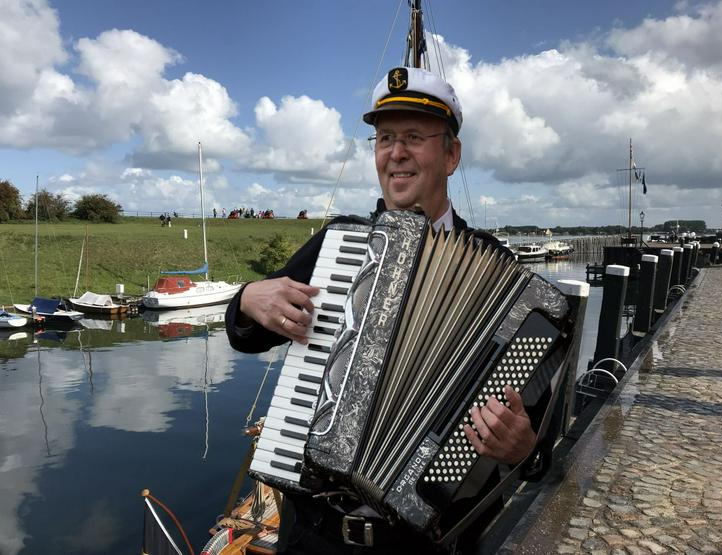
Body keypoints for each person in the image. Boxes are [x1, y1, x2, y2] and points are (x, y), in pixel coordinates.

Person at [226, 67, 554, 554]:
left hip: (427, 541)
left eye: (414, 138)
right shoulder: (338, 245)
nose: (396, 153)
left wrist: (524, 449)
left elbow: (537, 434)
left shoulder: (503, 278)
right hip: (313, 538)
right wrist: (248, 298)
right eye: (384, 138)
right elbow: (247, 336)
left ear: (452, 154)